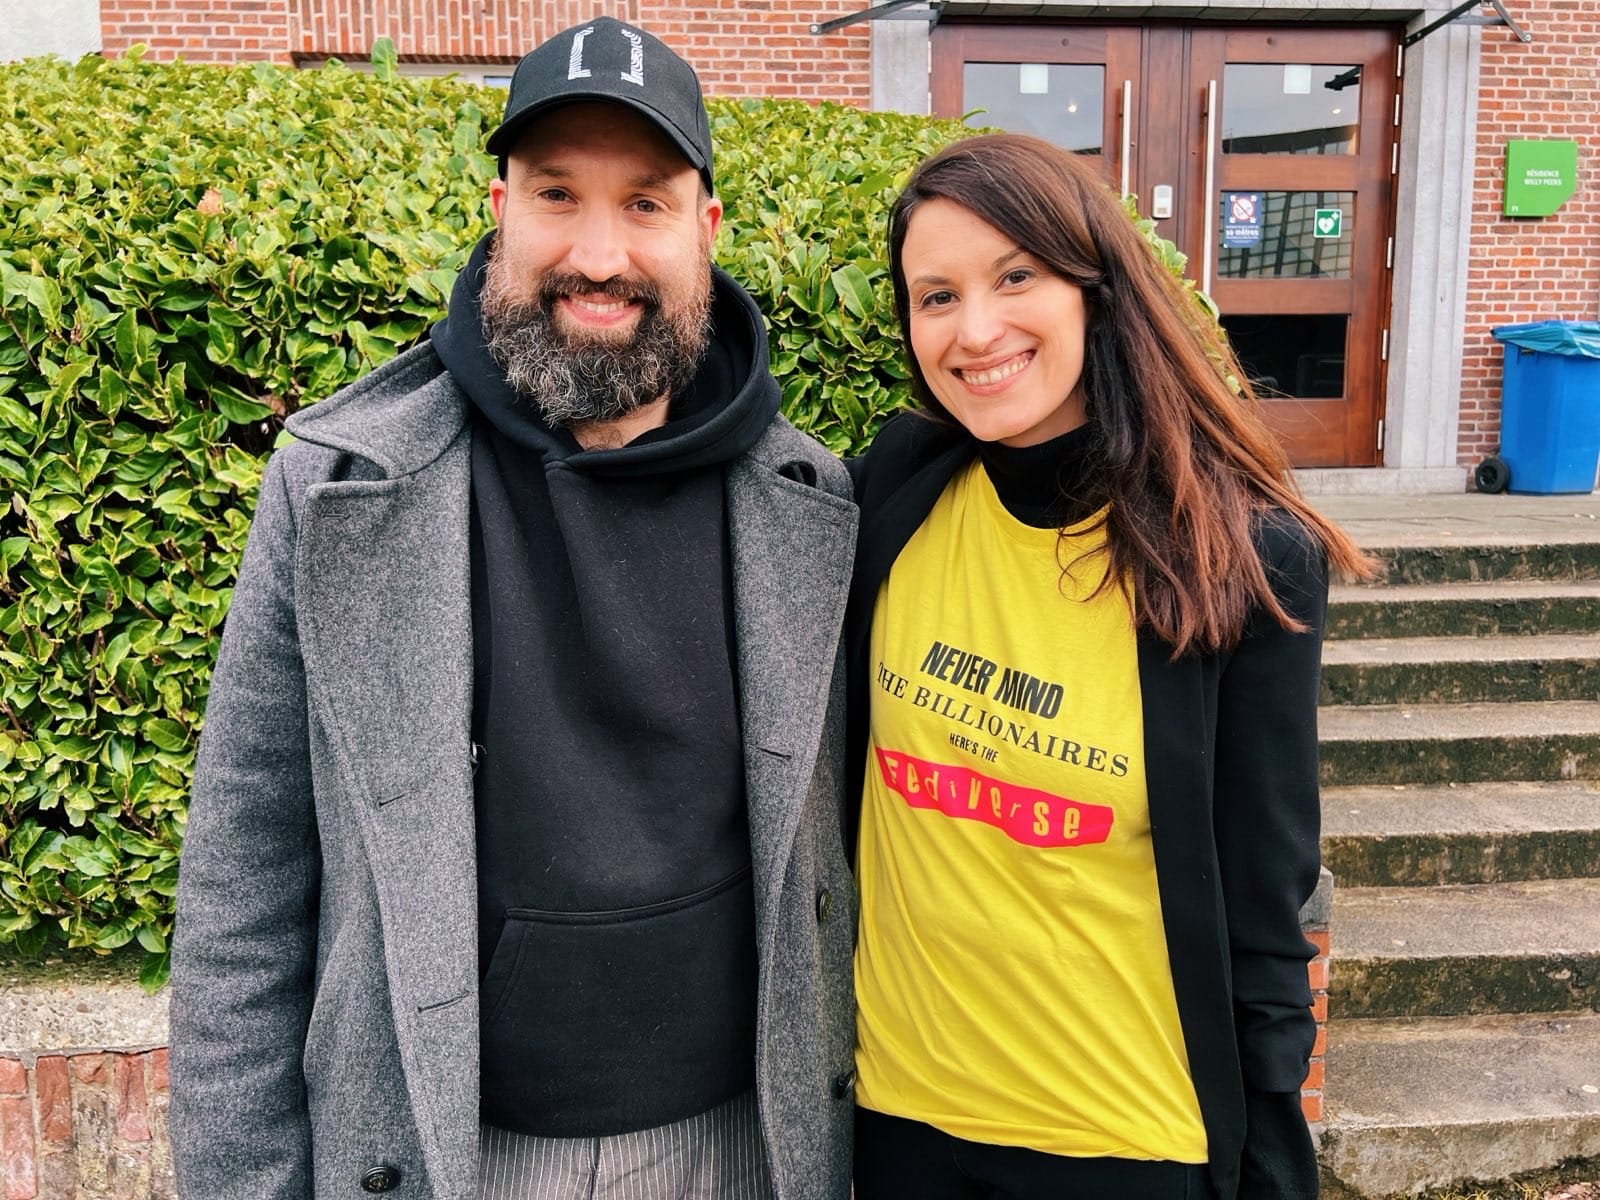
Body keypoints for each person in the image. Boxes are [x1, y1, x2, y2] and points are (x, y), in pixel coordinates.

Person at [169, 18, 858, 1200]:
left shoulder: (812, 501)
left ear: (705, 232)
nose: (598, 254)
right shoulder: (337, 489)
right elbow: (242, 888)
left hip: (747, 1146)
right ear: (500, 211)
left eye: (644, 203)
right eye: (556, 194)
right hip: (449, 1154)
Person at [844, 133, 1369, 1200]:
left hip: (1126, 1141)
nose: (974, 330)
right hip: (901, 1119)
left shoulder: (1237, 555)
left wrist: (1271, 1140)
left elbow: (1265, 890)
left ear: (1095, 288)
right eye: (936, 296)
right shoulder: (894, 491)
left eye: (1015, 277)